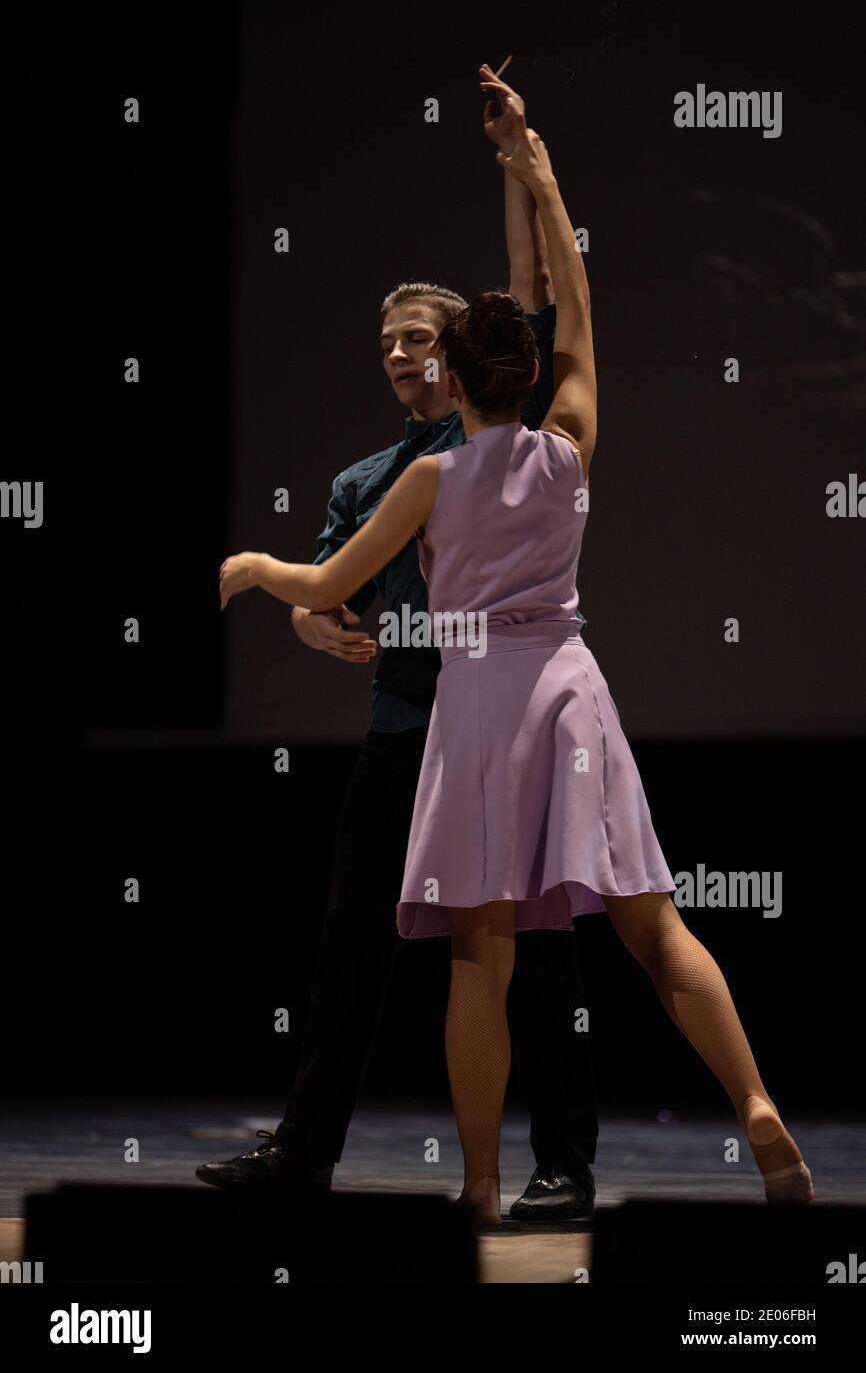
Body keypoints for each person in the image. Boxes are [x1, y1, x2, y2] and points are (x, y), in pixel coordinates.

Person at [220, 97, 814, 1227]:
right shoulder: (570, 445)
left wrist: (255, 568)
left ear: (452, 370)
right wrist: (534, 168)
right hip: (571, 695)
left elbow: (321, 582)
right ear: (530, 370)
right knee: (654, 925)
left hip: (478, 707)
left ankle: (484, 1183)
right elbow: (570, 304)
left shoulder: (431, 479)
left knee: (478, 958)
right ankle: (750, 1100)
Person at [198, 66, 599, 1222]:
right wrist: (312, 618)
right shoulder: (372, 482)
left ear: (459, 350)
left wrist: (514, 166)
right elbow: (332, 594)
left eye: (416, 334)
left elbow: (532, 289)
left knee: (544, 955)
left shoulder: (503, 441)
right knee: (350, 951)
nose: (396, 350)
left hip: (504, 727)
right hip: (406, 731)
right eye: (382, 339)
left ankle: (558, 1164)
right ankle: (302, 1156)